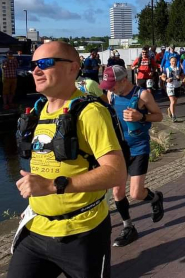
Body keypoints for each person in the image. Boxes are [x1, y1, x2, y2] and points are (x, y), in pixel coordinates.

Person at [8, 41, 126, 277]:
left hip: (82, 233)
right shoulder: (39, 110)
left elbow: (116, 172)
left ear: (73, 68)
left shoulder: (90, 112)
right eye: (33, 65)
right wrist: (35, 201)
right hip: (36, 229)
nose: (36, 70)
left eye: (45, 63)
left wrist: (52, 186)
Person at [102, 65, 165, 248]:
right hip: (119, 148)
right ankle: (128, 227)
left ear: (124, 80)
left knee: (136, 193)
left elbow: (159, 116)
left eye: (112, 84)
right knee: (117, 192)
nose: (109, 88)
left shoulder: (142, 94)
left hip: (139, 147)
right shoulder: (111, 95)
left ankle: (155, 198)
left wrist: (141, 117)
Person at [161, 56, 183, 121]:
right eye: (173, 61)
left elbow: (182, 76)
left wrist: (180, 77)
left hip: (177, 86)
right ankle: (173, 116)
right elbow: (162, 76)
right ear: (170, 62)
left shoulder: (179, 69)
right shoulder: (167, 69)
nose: (174, 62)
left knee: (175, 101)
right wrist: (166, 80)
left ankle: (170, 109)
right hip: (170, 87)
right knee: (172, 101)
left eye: (175, 61)